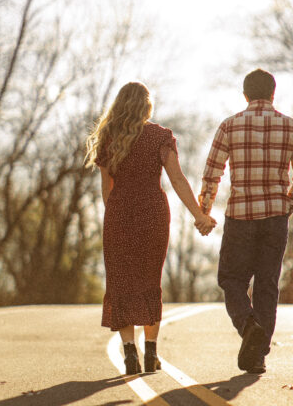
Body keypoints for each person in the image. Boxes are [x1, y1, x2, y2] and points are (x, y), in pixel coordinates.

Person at [85, 82, 215, 375]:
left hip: (119, 216)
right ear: (146, 106)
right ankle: (151, 353)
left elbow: (107, 188)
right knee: (148, 281)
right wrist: (199, 216)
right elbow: (178, 180)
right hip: (153, 215)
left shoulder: (108, 138)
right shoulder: (160, 137)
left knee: (121, 282)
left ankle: (130, 354)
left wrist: (116, 217)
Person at [198, 69, 293, 374]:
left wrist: (204, 211)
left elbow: (212, 174)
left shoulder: (230, 125)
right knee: (267, 285)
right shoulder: (291, 126)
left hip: (241, 217)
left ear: (245, 94)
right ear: (273, 94)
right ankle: (258, 353)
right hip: (275, 217)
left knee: (231, 280)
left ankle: (249, 326)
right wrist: (288, 203)